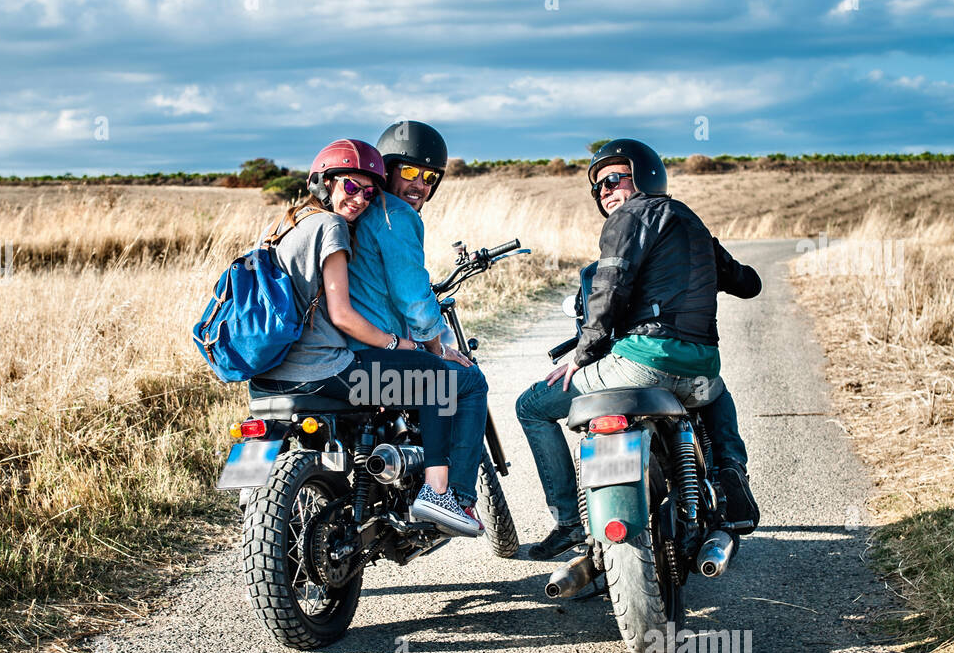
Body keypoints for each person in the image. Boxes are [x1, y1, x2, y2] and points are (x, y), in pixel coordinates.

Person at [515, 137, 761, 560]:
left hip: (643, 360)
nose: (606, 192)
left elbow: (609, 288)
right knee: (715, 391)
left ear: (644, 175)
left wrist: (582, 354)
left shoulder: (630, 217)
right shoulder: (694, 225)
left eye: (613, 179)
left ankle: (570, 522)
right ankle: (728, 472)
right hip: (701, 365)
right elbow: (748, 283)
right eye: (599, 187)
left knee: (531, 407)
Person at [248, 138, 480, 536]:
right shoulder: (331, 226)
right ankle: (440, 493)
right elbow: (344, 316)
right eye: (351, 187)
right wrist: (400, 344)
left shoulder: (283, 226)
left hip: (267, 376)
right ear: (324, 183)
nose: (360, 199)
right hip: (324, 370)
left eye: (369, 191)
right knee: (437, 378)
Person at [343, 119, 491, 533]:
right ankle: (452, 496)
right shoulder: (397, 216)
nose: (419, 184)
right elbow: (412, 296)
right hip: (375, 359)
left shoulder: (354, 212)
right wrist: (435, 344)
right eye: (408, 171)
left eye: (429, 177)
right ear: (386, 169)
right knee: (467, 380)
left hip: (340, 356)